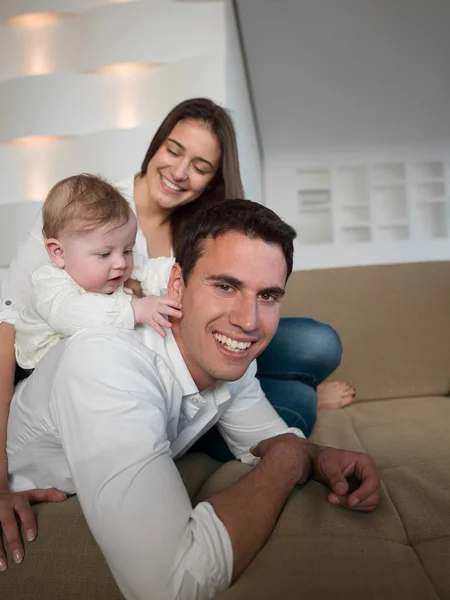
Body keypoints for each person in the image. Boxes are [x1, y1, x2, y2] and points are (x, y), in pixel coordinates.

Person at [0, 97, 353, 567]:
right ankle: (285, 396)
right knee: (297, 402)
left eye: (201, 165)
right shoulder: (82, 213)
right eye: (174, 149)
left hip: (176, 351)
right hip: (69, 368)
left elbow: (228, 323)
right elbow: (9, 328)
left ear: (213, 178)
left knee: (317, 342)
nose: (181, 171)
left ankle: (259, 394)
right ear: (154, 146)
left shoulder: (199, 229)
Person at [6, 200, 380, 598]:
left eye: (268, 295)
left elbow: (264, 439)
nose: (249, 320)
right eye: (225, 286)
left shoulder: (229, 363)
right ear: (176, 284)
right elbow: (171, 585)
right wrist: (288, 461)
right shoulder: (105, 362)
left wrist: (319, 457)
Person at [15, 174, 179, 371]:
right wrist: (135, 309)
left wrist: (185, 269)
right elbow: (72, 315)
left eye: (128, 250)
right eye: (104, 254)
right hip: (38, 367)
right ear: (59, 253)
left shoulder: (118, 269)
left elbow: (150, 270)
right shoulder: (49, 284)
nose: (120, 262)